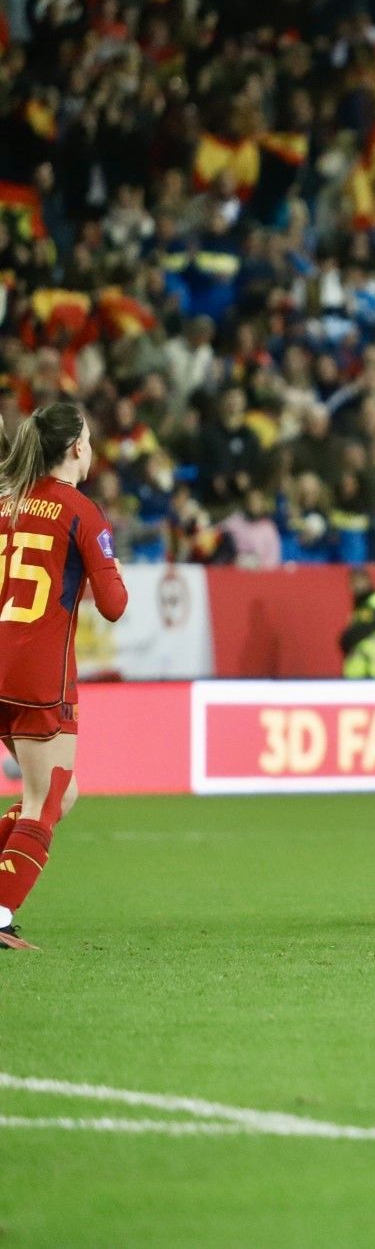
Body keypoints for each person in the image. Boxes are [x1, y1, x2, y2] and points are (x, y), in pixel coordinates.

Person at [0, 402, 129, 950]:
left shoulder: (6, 503)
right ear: (77, 447)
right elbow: (115, 606)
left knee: (60, 792)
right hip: (35, 670)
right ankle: (1, 914)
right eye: (92, 438)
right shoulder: (80, 510)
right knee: (45, 798)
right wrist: (113, 572)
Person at [338, 567, 375, 678]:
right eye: (352, 582)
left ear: (368, 581)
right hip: (361, 675)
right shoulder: (362, 607)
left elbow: (350, 637)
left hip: (371, 673)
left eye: (359, 581)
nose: (355, 586)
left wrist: (344, 639)